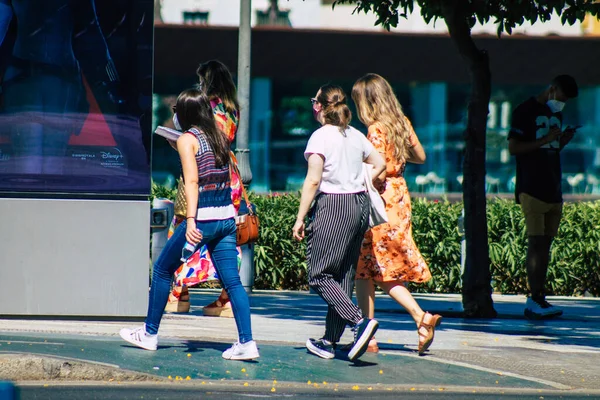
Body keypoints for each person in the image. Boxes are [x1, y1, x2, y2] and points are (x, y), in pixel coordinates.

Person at [120, 89, 258, 360]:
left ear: (185, 114)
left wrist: (192, 220)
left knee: (162, 269)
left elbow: (193, 181)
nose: (174, 116)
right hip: (226, 218)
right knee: (232, 282)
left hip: (202, 219)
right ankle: (247, 343)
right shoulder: (219, 135)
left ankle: (149, 334)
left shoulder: (187, 139)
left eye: (176, 112)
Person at [292, 84, 386, 361]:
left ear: (319, 106)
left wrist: (300, 218)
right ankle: (329, 341)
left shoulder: (320, 136)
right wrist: (361, 179)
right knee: (342, 277)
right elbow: (379, 163)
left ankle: (360, 322)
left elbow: (313, 180)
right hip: (359, 206)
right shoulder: (355, 135)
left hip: (333, 204)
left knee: (319, 274)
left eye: (313, 100)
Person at [351, 73, 442, 355]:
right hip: (400, 195)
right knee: (367, 267)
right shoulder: (401, 123)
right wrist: (398, 159)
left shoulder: (376, 129)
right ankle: (368, 333)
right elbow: (421, 157)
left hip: (380, 199)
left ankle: (419, 317)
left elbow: (375, 168)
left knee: (376, 267)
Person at [165, 60, 243, 318]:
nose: (199, 85)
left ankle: (179, 293)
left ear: (208, 82)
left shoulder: (209, 108)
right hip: (228, 175)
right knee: (226, 237)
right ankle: (226, 296)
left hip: (205, 173)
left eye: (201, 81)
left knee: (185, 228)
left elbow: (203, 143)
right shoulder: (233, 109)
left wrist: (179, 142)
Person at [508, 74, 579, 319]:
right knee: (536, 243)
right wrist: (545, 139)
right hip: (531, 186)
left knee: (546, 245)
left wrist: (562, 141)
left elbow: (550, 149)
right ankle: (534, 298)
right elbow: (514, 148)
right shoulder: (525, 111)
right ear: (552, 89)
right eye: (561, 98)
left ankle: (540, 297)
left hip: (553, 187)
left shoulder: (555, 114)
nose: (562, 104)